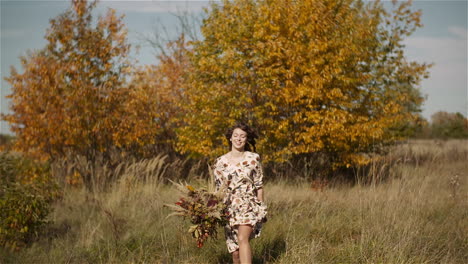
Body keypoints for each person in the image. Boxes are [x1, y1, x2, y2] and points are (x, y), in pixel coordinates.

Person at [212, 122, 268, 264]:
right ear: (230, 138)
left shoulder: (253, 158)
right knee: (236, 253)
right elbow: (218, 190)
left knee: (243, 239)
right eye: (235, 136)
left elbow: (259, 185)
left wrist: (261, 207)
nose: (239, 139)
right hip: (228, 208)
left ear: (246, 139)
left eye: (242, 136)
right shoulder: (220, 162)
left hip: (248, 205)